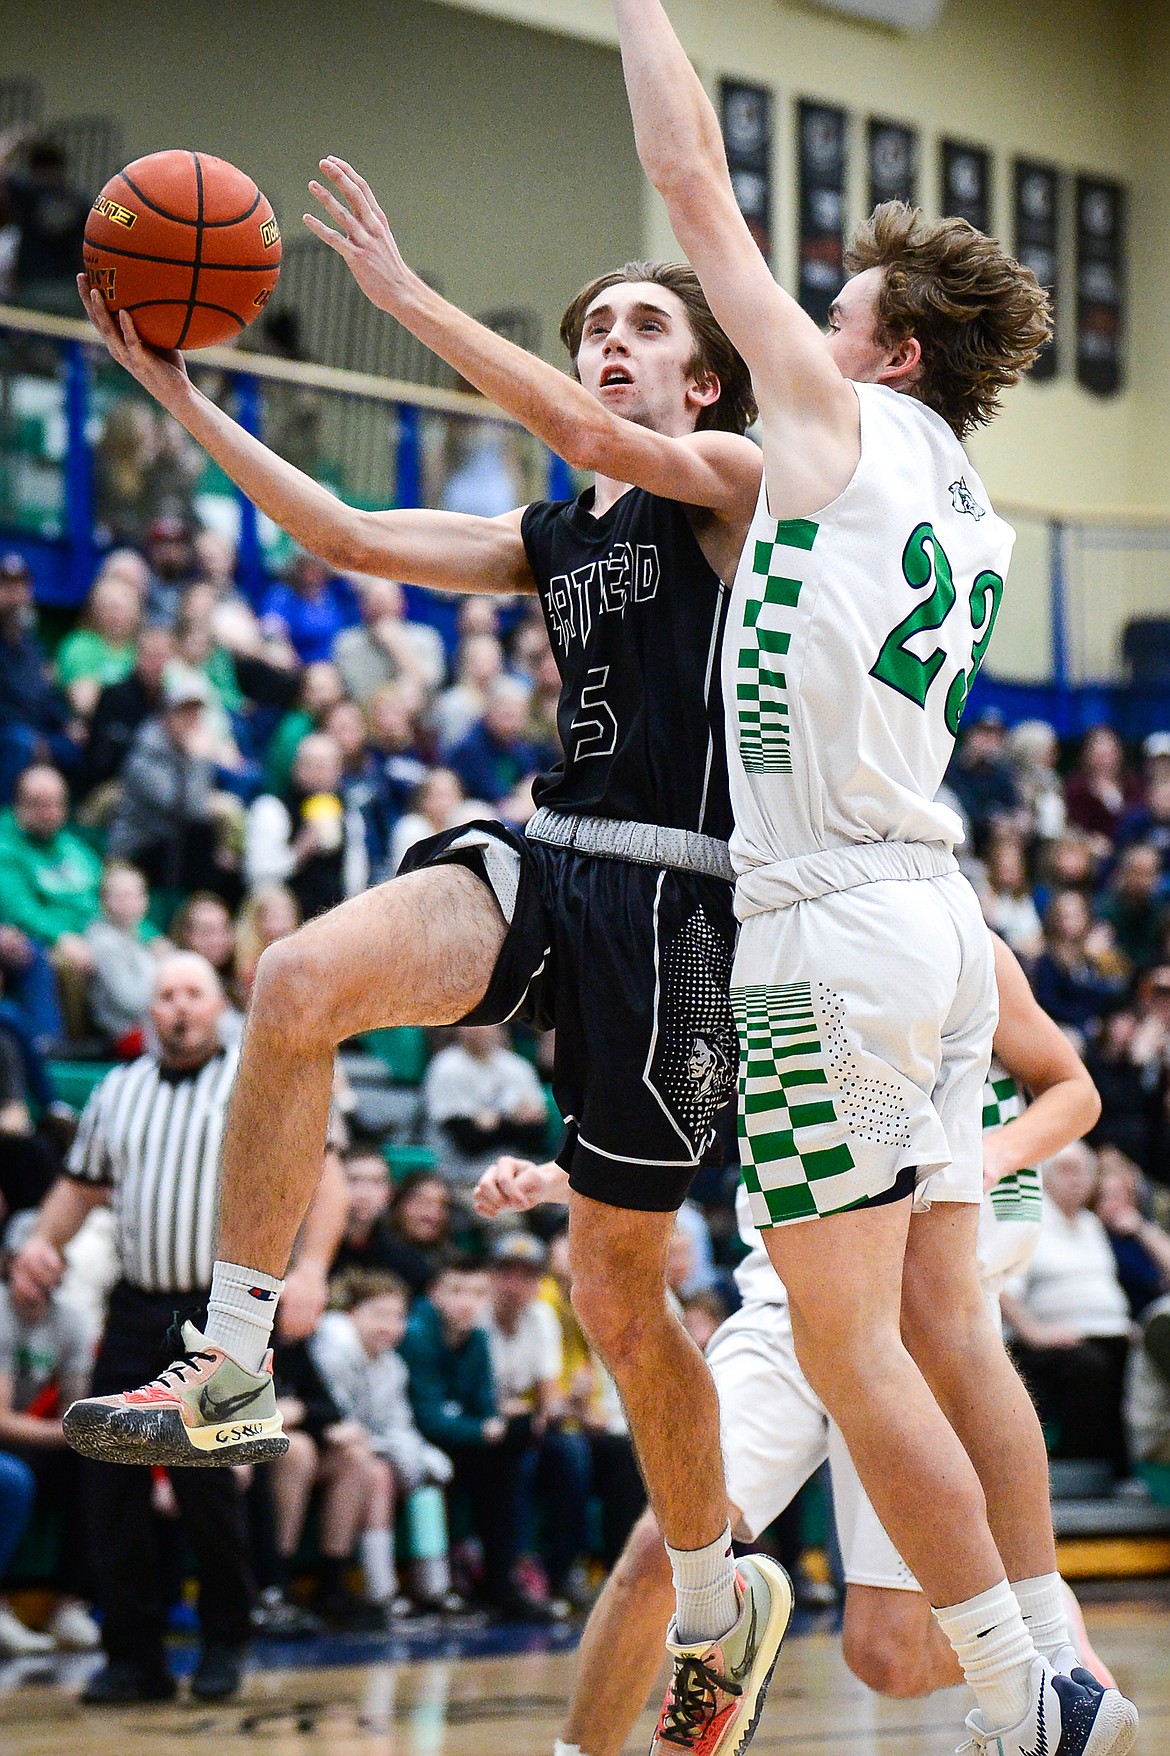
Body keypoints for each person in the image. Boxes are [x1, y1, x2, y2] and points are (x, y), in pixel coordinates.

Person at [72, 176, 789, 1721]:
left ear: (705, 372)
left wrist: (398, 294)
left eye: (641, 325)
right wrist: (178, 392)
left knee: (615, 1296)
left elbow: (602, 440)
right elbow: (337, 529)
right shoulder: (558, 527)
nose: (607, 343)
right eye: (591, 324)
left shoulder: (733, 476)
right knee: (295, 978)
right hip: (550, 857)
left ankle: (720, 1599)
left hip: (682, 906)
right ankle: (236, 1358)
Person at [605, 6, 1135, 1754]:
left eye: (828, 314)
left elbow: (691, 182)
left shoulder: (842, 431)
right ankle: (1061, 1645)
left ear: (886, 355)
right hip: (926, 917)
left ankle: (1021, 1687)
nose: (797, 331)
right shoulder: (959, 500)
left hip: (828, 923)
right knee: (939, 1323)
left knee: (852, 1351)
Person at [474, 932, 1116, 1756]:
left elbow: (1074, 1090)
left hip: (918, 1324)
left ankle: (1047, 1644)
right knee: (661, 1550)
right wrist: (561, 1174)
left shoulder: (947, 929)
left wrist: (986, 1158)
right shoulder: (749, 932)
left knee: (884, 1658)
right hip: (788, 1298)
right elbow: (686, 1111)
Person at [8, 952, 347, 1703]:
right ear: (149, 1011)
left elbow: (325, 1177)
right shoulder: (118, 1090)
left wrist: (314, 1270)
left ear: (216, 1005)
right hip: (137, 1305)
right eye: (165, 996)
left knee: (205, 1478)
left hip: (220, 1308)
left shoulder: (255, 1079)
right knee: (107, 1473)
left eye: (193, 993)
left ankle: (225, 1639)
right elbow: (79, 1187)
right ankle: (135, 1654)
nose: (179, 1008)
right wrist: (41, 1243)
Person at [310, 1267, 454, 1619]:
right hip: (325, 1448)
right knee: (379, 1474)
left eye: (397, 1317)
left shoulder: (392, 1365)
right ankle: (380, 1591)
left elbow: (398, 1425)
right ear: (352, 1313)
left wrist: (422, 1459)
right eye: (378, 1315)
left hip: (368, 1448)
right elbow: (338, 1421)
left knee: (427, 1476)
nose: (388, 1326)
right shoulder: (332, 1350)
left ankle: (435, 1589)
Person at [1002, 1142, 1132, 1477]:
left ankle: (1130, 1468)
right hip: (1045, 1339)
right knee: (1090, 1365)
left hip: (1109, 1332)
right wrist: (1035, 1333)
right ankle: (1086, 1470)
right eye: (1067, 1169)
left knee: (1134, 1359)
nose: (1078, 1179)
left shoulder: (1091, 1224)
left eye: (1085, 1171)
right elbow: (1003, 1288)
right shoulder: (1029, 1218)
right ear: (1045, 1175)